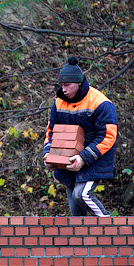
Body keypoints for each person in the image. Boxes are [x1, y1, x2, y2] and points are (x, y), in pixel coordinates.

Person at [43, 57, 117, 217]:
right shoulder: (58, 103)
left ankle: (108, 223)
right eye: (61, 85)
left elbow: (108, 136)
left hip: (95, 158)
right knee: (76, 213)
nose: (63, 89)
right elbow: (51, 131)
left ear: (79, 83)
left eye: (67, 85)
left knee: (81, 195)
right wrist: (48, 155)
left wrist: (83, 158)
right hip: (69, 161)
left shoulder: (101, 103)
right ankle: (83, 241)